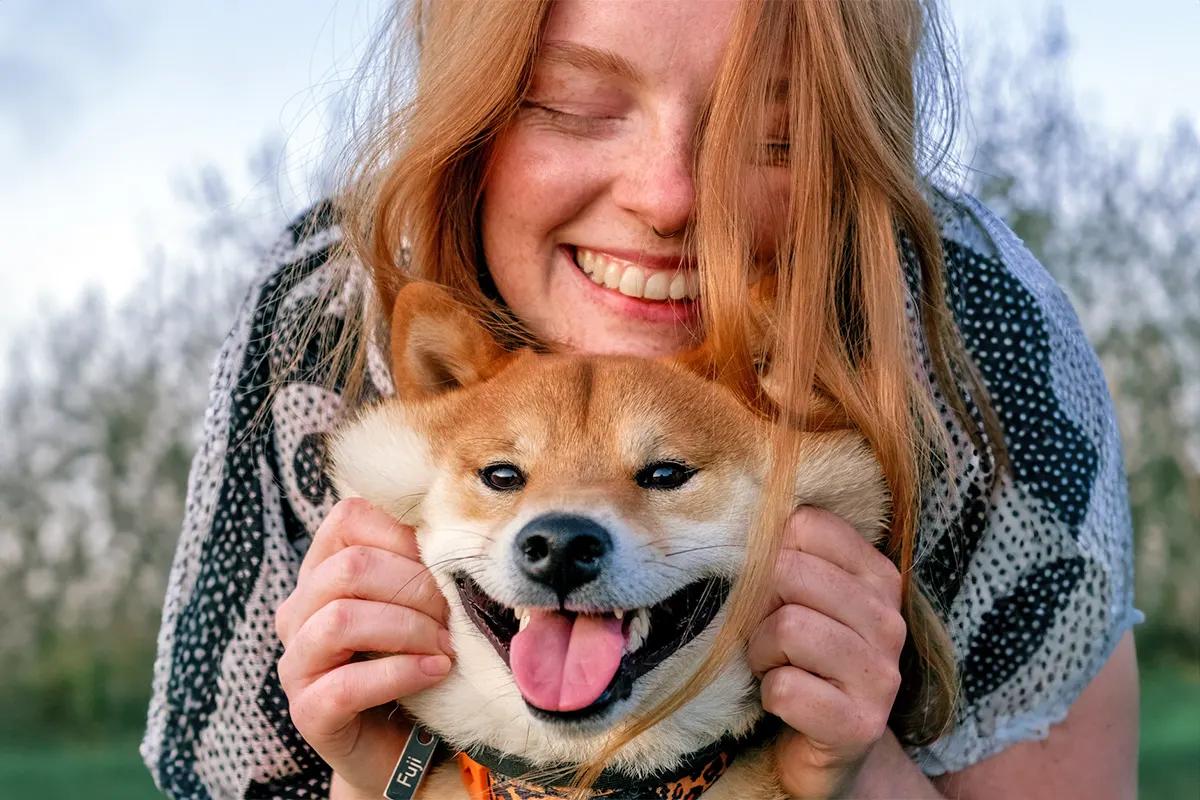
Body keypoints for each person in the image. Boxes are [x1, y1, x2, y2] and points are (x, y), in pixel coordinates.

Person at [140, 1, 1141, 798]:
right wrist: (384, 775)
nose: (668, 199)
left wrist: (855, 772)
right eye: (574, 105)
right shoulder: (324, 321)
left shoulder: (976, 343)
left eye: (775, 133)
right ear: (472, 113)